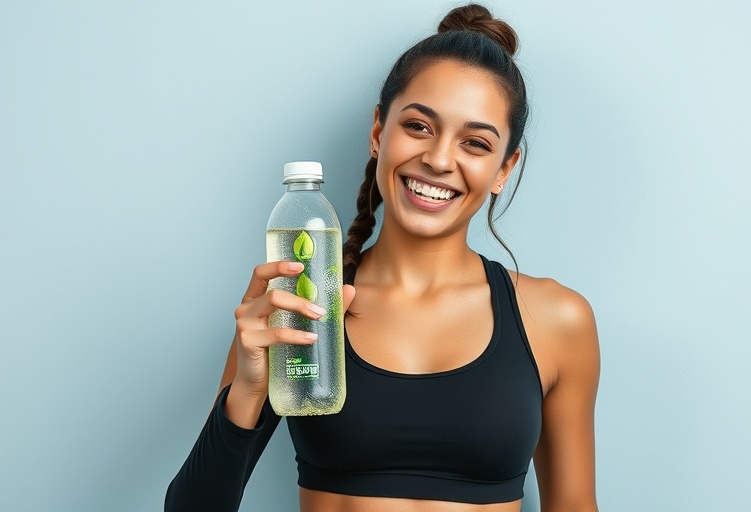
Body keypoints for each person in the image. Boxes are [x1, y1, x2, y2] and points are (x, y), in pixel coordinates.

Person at [165, 4, 600, 512]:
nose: (439, 160)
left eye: (476, 143)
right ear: (378, 132)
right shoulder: (303, 305)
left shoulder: (557, 320)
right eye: (418, 127)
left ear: (505, 169)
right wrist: (246, 389)